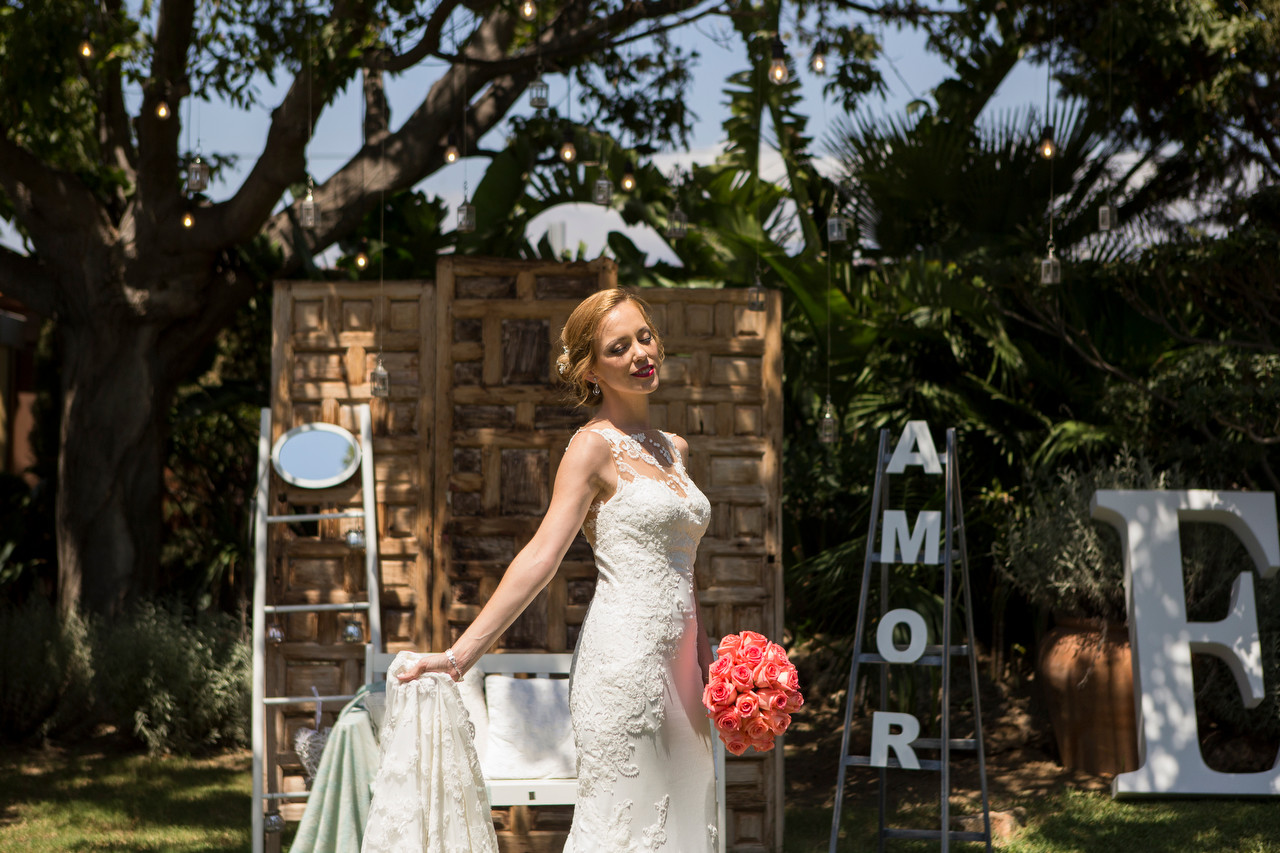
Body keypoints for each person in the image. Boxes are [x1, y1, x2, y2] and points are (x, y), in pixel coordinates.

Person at [396, 288, 719, 850]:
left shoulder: (676, 449)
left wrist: (712, 658)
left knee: (690, 824)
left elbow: (683, 570)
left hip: (686, 672)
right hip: (626, 666)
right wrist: (457, 656)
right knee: (627, 828)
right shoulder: (591, 447)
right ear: (592, 369)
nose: (641, 353)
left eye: (645, 337)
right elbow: (541, 557)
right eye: (620, 347)